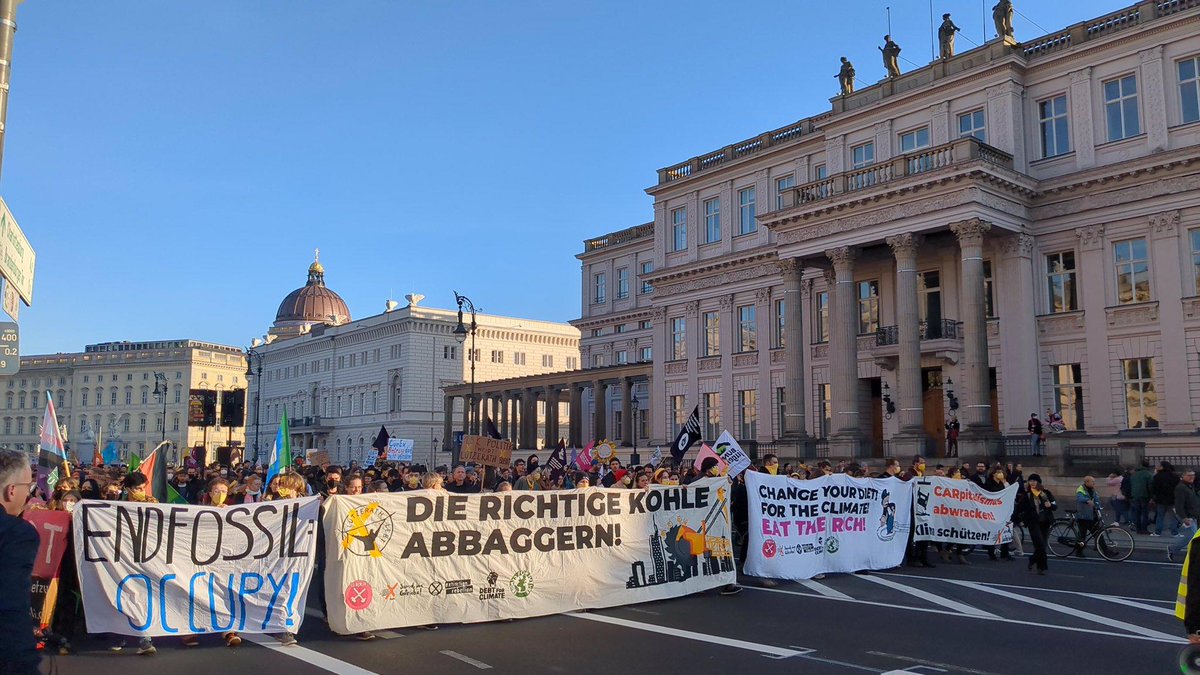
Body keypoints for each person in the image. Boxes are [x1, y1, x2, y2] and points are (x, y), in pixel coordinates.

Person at [1, 450, 40, 675]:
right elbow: (9, 607)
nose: (28, 494)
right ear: (12, 490)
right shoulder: (15, 533)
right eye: (28, 486)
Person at [1015, 473, 1056, 575]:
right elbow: (1018, 509)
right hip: (1033, 523)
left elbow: (1055, 506)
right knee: (1040, 545)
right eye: (1030, 481)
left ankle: (1032, 559)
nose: (1032, 482)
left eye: (1034, 480)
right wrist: (1016, 519)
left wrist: (1050, 505)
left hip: (1045, 522)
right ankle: (1041, 567)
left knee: (1042, 545)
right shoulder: (1027, 495)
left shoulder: (1045, 493)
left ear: (1039, 482)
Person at [1171, 471, 1200, 563]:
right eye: (1189, 475)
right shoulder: (1181, 488)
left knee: (1193, 536)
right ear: (1183, 476)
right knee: (1193, 536)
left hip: (1193, 514)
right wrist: (1184, 517)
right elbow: (1179, 504)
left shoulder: (1189, 486)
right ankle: (1172, 549)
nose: (1192, 477)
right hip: (1187, 516)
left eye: (1193, 475)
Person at [1073, 476, 1100, 557]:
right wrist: (1087, 500)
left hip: (1091, 515)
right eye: (1092, 482)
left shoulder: (1093, 490)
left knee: (1098, 534)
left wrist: (1098, 507)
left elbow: (1096, 500)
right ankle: (1078, 552)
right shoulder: (1080, 489)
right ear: (1086, 482)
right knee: (1082, 536)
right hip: (1083, 516)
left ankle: (1106, 551)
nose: (1094, 483)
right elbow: (1079, 498)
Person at [1154, 461, 1182, 537]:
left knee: (1160, 516)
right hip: (1172, 499)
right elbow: (1178, 488)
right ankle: (1174, 532)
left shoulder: (1157, 476)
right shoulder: (1175, 476)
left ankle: (1157, 532)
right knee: (1174, 517)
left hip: (1160, 499)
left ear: (1162, 467)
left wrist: (1154, 497)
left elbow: (1154, 488)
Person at [1130, 459, 1153, 534]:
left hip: (1135, 495)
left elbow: (1131, 485)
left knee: (1137, 513)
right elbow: (1150, 486)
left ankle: (1138, 529)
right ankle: (1144, 529)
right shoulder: (1148, 474)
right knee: (1145, 513)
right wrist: (1152, 496)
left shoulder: (1134, 474)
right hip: (1144, 495)